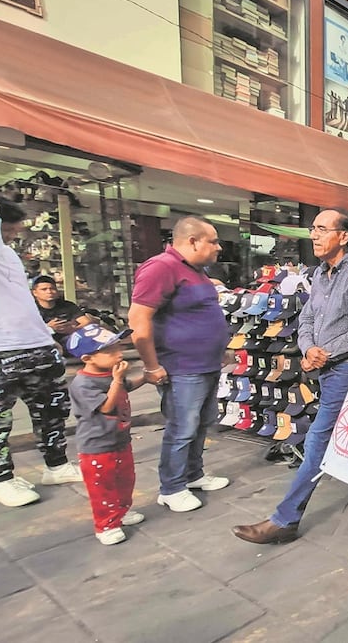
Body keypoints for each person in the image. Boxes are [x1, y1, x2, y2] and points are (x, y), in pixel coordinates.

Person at [232, 210, 348, 543]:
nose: (313, 235)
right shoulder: (319, 274)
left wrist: (323, 353)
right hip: (322, 366)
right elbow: (307, 320)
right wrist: (307, 349)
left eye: (321, 229)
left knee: (317, 439)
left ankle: (286, 519)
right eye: (312, 229)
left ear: (343, 236)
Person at [128, 215, 230, 513]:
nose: (219, 247)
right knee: (182, 428)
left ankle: (193, 474)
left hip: (206, 364)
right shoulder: (160, 267)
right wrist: (150, 366)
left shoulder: (196, 271)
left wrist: (219, 350)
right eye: (213, 241)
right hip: (181, 366)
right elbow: (138, 319)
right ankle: (171, 488)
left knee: (201, 423)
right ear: (192, 241)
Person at [0, 200, 82, 507]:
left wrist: (45, 336)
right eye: (7, 230)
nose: (11, 236)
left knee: (53, 411)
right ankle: (1, 479)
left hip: (36, 345)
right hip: (0, 351)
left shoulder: (8, 255)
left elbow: (18, 302)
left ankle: (57, 464)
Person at [66, 324, 146, 545]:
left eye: (118, 347)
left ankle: (121, 511)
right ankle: (106, 525)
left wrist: (146, 378)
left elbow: (128, 386)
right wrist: (118, 379)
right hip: (96, 447)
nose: (118, 354)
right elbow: (106, 407)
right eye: (109, 351)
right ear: (87, 358)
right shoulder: (83, 384)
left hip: (120, 440)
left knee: (125, 480)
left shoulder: (108, 374)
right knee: (103, 488)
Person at [31, 275, 90, 346]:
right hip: (43, 342)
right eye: (44, 289)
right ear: (35, 293)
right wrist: (48, 328)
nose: (49, 292)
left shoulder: (68, 305)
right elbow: (25, 332)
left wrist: (73, 329)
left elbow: (86, 322)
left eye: (52, 288)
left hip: (70, 339)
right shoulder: (29, 309)